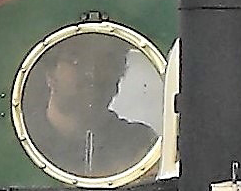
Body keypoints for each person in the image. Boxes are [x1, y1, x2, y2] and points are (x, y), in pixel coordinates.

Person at [21, 35, 158, 179]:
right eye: (76, 61)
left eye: (106, 62)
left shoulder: (140, 144)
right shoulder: (26, 141)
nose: (93, 73)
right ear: (50, 74)